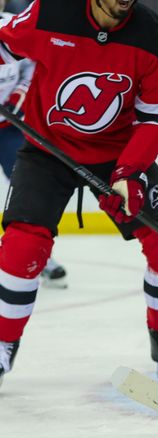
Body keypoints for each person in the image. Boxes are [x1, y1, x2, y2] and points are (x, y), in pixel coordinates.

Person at [0, 0, 158, 388]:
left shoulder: (152, 34)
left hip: (118, 154)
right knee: (22, 248)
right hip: (48, 149)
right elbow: (5, 43)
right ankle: (3, 341)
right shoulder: (50, 13)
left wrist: (129, 172)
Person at [0, 5, 68, 289]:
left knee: (28, 189)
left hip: (8, 126)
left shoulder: (14, 26)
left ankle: (38, 257)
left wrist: (18, 98)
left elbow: (35, 64)